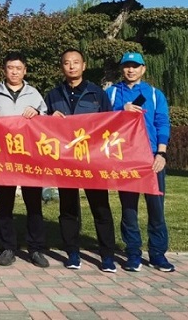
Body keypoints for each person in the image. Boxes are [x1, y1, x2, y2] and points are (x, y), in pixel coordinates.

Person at [44, 48, 117, 272]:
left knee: (101, 208)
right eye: (67, 62)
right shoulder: (53, 95)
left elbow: (110, 124)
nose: (72, 66)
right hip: (65, 161)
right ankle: (72, 253)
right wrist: (49, 118)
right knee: (68, 209)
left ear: (84, 66)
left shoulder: (97, 94)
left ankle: (107, 256)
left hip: (92, 160)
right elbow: (42, 127)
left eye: (76, 62)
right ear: (62, 67)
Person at [106, 52, 174, 272]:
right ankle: (133, 253)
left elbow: (162, 123)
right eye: (127, 66)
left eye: (135, 66)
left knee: (156, 208)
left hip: (151, 157)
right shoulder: (112, 93)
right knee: (129, 208)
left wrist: (161, 154)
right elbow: (102, 120)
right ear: (122, 69)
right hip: (125, 157)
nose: (131, 70)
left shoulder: (154, 94)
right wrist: (121, 111)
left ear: (143, 69)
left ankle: (158, 254)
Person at [0, 52, 50, 268]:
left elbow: (46, 121)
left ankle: (36, 249)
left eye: (18, 68)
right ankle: (8, 248)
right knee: (5, 204)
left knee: (34, 205)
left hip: (30, 157)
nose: (14, 72)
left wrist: (37, 112)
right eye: (10, 68)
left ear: (25, 71)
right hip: (4, 157)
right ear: (4, 70)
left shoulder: (34, 94)